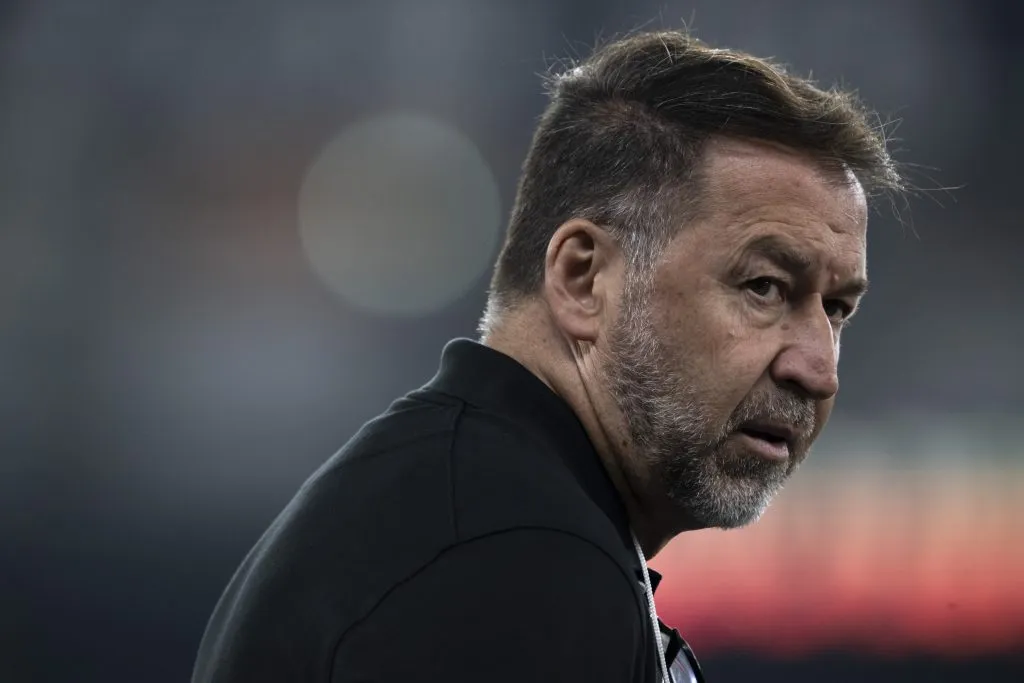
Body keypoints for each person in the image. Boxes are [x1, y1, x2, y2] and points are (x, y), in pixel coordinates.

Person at [192, 29, 903, 683]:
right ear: (582, 278)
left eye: (837, 309)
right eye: (764, 286)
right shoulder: (512, 563)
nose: (818, 367)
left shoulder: (466, 512)